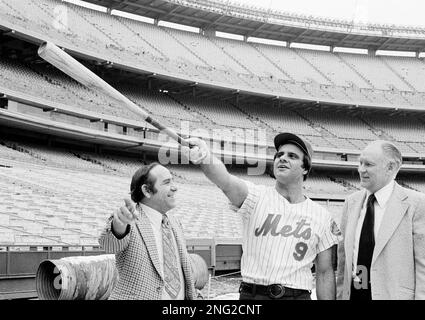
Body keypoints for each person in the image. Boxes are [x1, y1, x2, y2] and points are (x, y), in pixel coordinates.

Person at [187, 132, 340, 300]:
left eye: (292, 156)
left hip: (297, 296)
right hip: (254, 295)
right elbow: (225, 181)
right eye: (279, 155)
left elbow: (325, 273)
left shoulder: (322, 216)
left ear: (305, 168)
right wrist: (206, 158)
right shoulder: (255, 196)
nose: (282, 158)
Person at [336, 140, 425, 300]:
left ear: (390, 167)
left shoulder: (417, 204)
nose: (361, 170)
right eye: (360, 163)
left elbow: (423, 265)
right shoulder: (351, 202)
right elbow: (343, 261)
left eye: (368, 164)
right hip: (355, 294)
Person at [98, 162, 197, 300]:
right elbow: (109, 244)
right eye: (167, 182)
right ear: (147, 191)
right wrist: (119, 226)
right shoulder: (128, 219)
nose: (175, 188)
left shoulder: (175, 223)